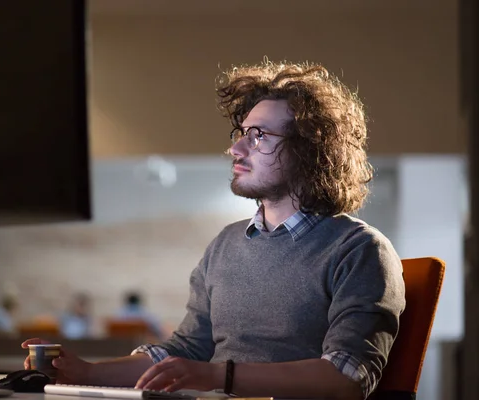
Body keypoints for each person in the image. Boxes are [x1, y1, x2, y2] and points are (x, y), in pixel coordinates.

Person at [22, 60, 406, 400]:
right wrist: (85, 372)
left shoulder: (359, 250)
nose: (237, 149)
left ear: (309, 151)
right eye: (241, 133)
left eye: (258, 136)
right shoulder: (226, 244)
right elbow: (187, 349)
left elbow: (345, 379)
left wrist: (217, 376)